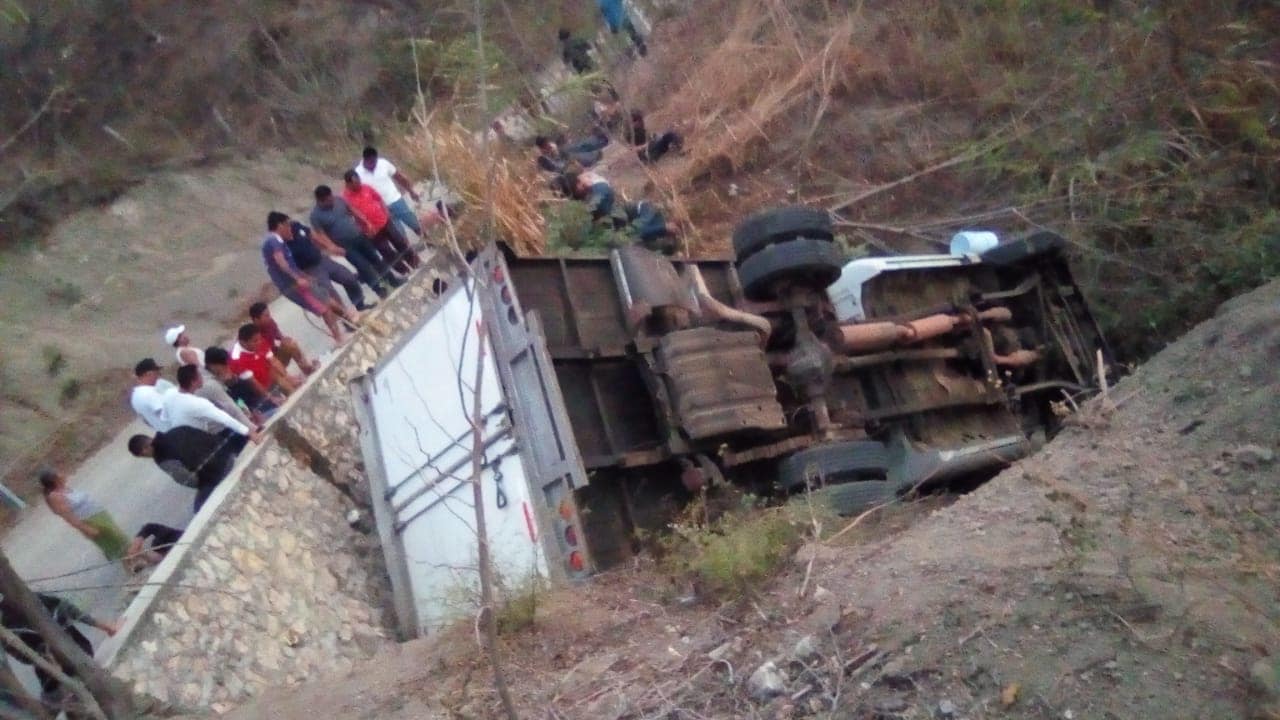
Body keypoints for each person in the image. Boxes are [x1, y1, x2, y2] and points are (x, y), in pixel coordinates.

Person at [0, 591, 120, 712]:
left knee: (58, 698)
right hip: (75, 656)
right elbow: (70, 610)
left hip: (60, 671)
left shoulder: (9, 624)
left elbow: (23, 657)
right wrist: (105, 626)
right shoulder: (35, 599)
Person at [39, 469, 162, 572]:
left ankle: (134, 568)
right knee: (120, 543)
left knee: (120, 542)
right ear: (54, 479)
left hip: (100, 516)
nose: (63, 474)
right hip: (91, 522)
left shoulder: (65, 488)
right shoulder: (55, 496)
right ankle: (148, 557)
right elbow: (69, 517)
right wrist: (86, 529)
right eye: (59, 473)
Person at [262, 213, 357, 344]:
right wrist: (297, 278)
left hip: (298, 279)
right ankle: (339, 336)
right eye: (288, 225)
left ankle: (349, 317)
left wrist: (304, 276)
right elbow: (281, 262)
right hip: (292, 285)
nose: (290, 229)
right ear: (280, 225)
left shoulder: (275, 241)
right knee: (323, 307)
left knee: (326, 298)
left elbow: (289, 263)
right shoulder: (274, 240)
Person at [310, 184, 402, 299]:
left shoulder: (338, 200)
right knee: (363, 267)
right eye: (329, 200)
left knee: (376, 259)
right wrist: (332, 246)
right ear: (320, 201)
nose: (332, 201)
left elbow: (353, 210)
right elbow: (321, 234)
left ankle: (393, 280)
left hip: (359, 236)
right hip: (345, 246)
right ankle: (379, 290)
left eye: (332, 197)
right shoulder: (315, 216)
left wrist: (366, 222)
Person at [128, 426, 237, 512]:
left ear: (145, 450)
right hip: (228, 455)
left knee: (198, 509)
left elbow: (187, 479)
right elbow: (209, 437)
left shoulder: (162, 458)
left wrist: (203, 484)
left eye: (143, 456)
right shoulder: (178, 430)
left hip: (218, 473)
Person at [164, 325, 254, 429]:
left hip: (210, 379)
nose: (185, 335)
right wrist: (216, 372)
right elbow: (199, 365)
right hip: (209, 380)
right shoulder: (184, 352)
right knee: (230, 401)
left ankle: (246, 416)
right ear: (178, 339)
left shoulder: (185, 350)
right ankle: (248, 423)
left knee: (232, 399)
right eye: (182, 335)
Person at [282, 216, 376, 312]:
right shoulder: (281, 243)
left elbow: (313, 236)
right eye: (286, 225)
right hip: (310, 269)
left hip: (322, 259)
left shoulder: (296, 226)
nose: (289, 226)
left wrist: (330, 247)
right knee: (330, 294)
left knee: (349, 278)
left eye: (289, 224)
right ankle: (348, 320)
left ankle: (360, 305)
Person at [164, 365, 262, 452]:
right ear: (193, 382)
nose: (203, 378)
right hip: (198, 443)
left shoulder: (169, 394)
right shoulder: (197, 403)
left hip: (182, 439)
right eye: (200, 376)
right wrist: (249, 432)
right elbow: (224, 418)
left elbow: (164, 417)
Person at [341, 170, 420, 276]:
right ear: (348, 184)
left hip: (384, 221)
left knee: (400, 242)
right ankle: (404, 271)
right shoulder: (345, 198)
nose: (359, 185)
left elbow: (379, 199)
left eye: (359, 181)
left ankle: (415, 262)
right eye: (356, 184)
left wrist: (386, 212)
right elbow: (348, 216)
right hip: (371, 231)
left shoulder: (366, 187)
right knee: (387, 251)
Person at [355, 146, 423, 238]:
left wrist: (411, 191)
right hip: (380, 208)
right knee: (399, 233)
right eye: (371, 163)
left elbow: (399, 177)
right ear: (365, 160)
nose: (373, 165)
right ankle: (410, 250)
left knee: (414, 223)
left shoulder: (383, 163)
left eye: (375, 162)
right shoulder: (357, 173)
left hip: (396, 200)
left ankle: (430, 242)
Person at [204, 346, 281, 424]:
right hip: (250, 413)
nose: (226, 367)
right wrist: (251, 414)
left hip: (258, 404)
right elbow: (238, 402)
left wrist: (270, 398)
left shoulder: (232, 369)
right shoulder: (216, 383)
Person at [249, 301, 321, 376]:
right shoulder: (253, 336)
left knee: (289, 343)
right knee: (288, 345)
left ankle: (306, 368)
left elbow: (281, 337)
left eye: (269, 314)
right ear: (256, 320)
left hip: (275, 358)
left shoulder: (270, 323)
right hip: (267, 367)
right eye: (266, 316)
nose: (269, 317)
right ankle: (286, 379)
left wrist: (287, 343)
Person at [230, 322, 298, 395]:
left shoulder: (259, 340)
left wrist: (288, 376)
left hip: (269, 375)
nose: (259, 342)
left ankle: (293, 387)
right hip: (257, 389)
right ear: (243, 343)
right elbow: (253, 383)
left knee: (288, 345)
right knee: (273, 373)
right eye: (255, 341)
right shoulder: (236, 359)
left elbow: (273, 361)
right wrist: (270, 398)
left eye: (259, 339)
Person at [129, 358, 174, 431]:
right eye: (157, 373)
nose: (158, 376)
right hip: (177, 432)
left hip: (165, 433)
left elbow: (146, 421)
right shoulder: (149, 393)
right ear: (149, 374)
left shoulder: (135, 396)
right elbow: (166, 414)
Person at [534, 134, 607, 173]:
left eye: (547, 142)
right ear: (542, 146)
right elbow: (558, 166)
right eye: (546, 144)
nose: (548, 144)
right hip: (565, 162)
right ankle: (596, 153)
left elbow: (558, 151)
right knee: (579, 154)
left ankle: (599, 141)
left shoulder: (551, 146)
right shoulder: (543, 157)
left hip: (565, 154)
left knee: (579, 146)